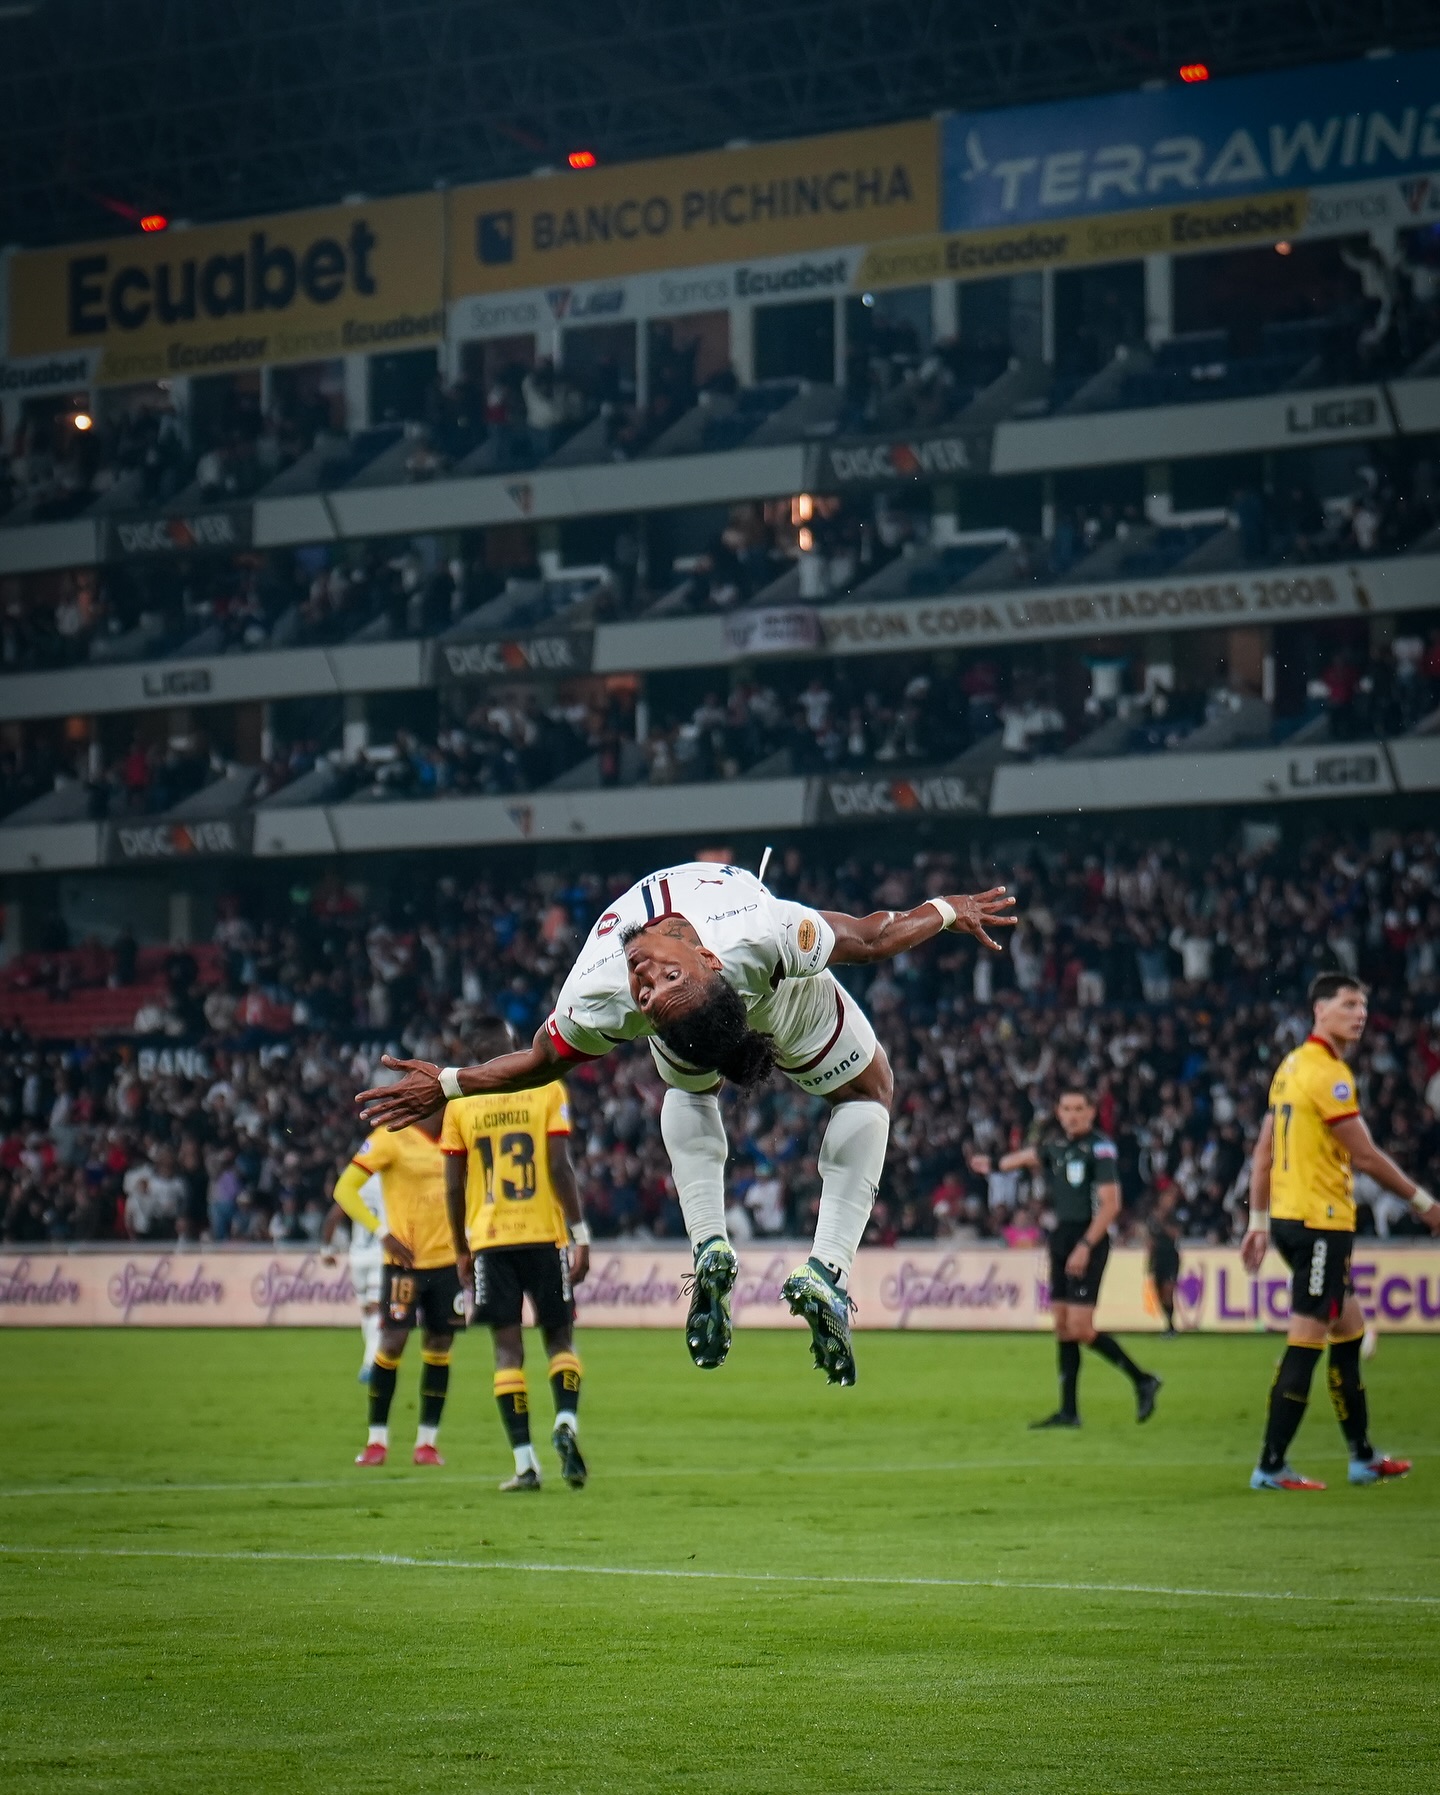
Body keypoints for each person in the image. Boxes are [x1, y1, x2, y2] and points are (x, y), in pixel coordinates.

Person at [359, 862, 1016, 1387]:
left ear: (709, 955)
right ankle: (825, 1270)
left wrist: (451, 1081)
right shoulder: (751, 938)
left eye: (657, 982)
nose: (644, 979)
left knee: (690, 1087)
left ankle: (713, 1247)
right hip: (756, 1007)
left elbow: (538, 1061)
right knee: (870, 1091)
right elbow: (870, 939)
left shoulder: (614, 990)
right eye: (652, 987)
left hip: (769, 995)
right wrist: (946, 909)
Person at [1241, 972, 1440, 1491]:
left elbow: (1263, 1152)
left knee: (1349, 1331)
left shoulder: (1290, 1066)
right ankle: (1271, 1466)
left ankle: (1363, 1457)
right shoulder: (1329, 1074)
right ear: (1320, 1009)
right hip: (1319, 1224)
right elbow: (1365, 1156)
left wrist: (1257, 1222)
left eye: (1363, 1005)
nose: (1360, 1014)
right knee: (1306, 1341)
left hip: (1291, 1219)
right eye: (1349, 1004)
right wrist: (1425, 1205)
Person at [441, 1019, 590, 1492]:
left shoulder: (460, 1104)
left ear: (472, 1051)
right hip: (544, 1235)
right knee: (559, 1340)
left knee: (508, 1351)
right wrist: (580, 1235)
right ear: (509, 1043)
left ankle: (526, 1465)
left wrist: (460, 1248)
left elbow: (453, 1185)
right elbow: (559, 1166)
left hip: (490, 1241)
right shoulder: (546, 1088)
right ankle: (565, 1420)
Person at [975, 1088, 1160, 1428]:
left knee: (1080, 1327)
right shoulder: (1057, 1146)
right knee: (1062, 1326)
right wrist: (995, 1165)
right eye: (1066, 1109)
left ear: (1091, 1113)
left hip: (1088, 1238)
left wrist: (1086, 1245)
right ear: (1059, 1113)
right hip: (1061, 1237)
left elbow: (1111, 1205)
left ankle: (1142, 1379)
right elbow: (1029, 1156)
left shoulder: (1099, 1148)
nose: (1072, 1115)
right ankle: (1069, 1412)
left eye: (1079, 1109)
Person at [330, 1106, 463, 1468]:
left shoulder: (459, 1134)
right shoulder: (390, 1138)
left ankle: (427, 1444)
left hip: (448, 1263)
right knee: (391, 1342)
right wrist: (382, 1233)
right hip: (404, 1265)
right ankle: (376, 1441)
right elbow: (345, 1189)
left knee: (440, 1346)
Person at [322, 1159, 386, 1381]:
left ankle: (370, 1358)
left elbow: (333, 1217)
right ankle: (370, 1364)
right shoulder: (390, 1182)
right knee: (377, 1310)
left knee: (367, 1311)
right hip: (380, 1254)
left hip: (358, 1256)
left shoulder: (357, 1183)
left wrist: (326, 1249)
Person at [1147, 1188, 1182, 1336]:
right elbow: (1150, 1240)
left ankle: (1171, 1326)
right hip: (1157, 1257)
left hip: (1170, 1257)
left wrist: (1163, 1223)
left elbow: (1176, 1234)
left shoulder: (1174, 1216)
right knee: (1159, 1292)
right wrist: (1149, 1260)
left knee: (1168, 1291)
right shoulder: (1152, 1217)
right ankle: (1168, 1323)